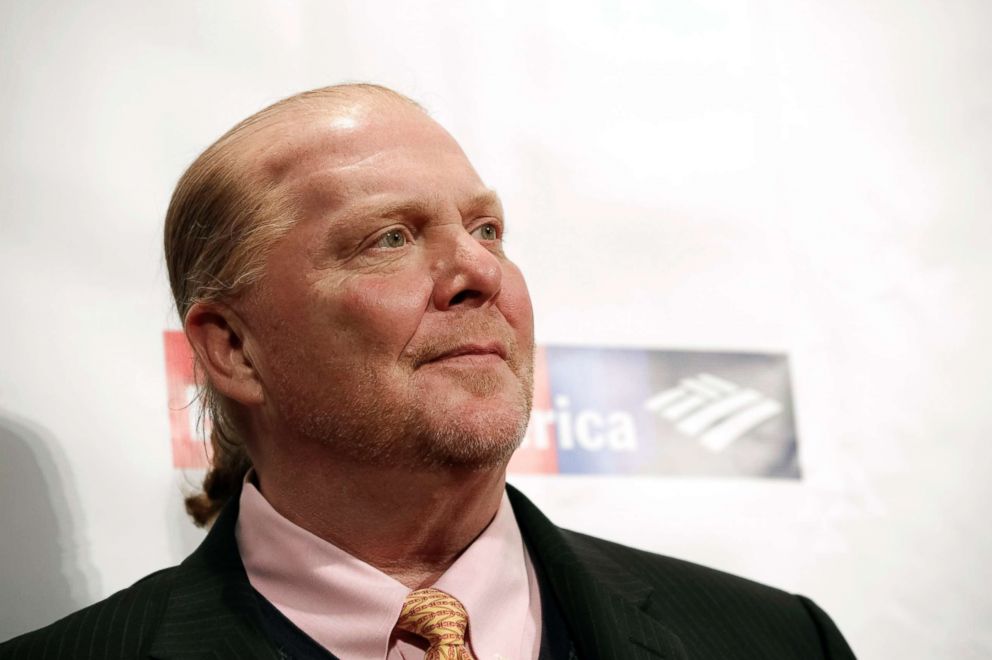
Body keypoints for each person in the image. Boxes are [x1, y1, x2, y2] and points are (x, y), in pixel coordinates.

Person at [0, 84, 856, 660]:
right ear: (233, 349)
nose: (480, 273)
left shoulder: (774, 640)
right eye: (391, 238)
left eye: (486, 230)